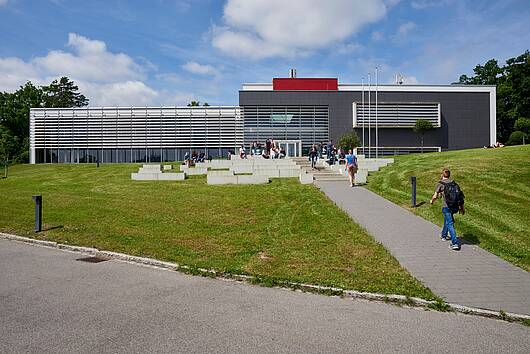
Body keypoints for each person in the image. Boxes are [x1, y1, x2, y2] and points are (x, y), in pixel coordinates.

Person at [430, 168, 465, 250]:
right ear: (449, 175)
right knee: (447, 220)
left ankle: (455, 243)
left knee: (450, 223)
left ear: (442, 175)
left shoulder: (440, 184)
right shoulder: (455, 184)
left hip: (446, 207)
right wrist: (462, 209)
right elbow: (460, 198)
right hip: (455, 207)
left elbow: (435, 196)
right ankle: (443, 235)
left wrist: (432, 201)